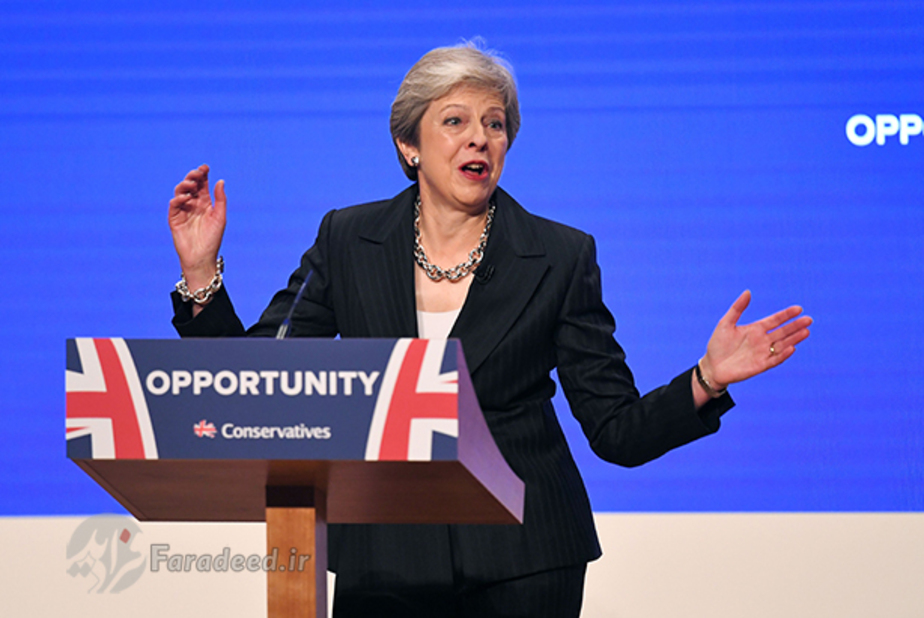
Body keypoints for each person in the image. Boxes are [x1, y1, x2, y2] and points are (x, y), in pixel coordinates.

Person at [168, 43, 811, 618]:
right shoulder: (348, 240)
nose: (479, 138)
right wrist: (201, 274)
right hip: (386, 558)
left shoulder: (559, 256)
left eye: (495, 124)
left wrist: (706, 379)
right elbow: (259, 381)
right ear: (409, 145)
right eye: (455, 121)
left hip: (526, 557)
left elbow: (616, 430)